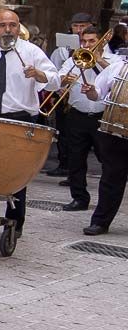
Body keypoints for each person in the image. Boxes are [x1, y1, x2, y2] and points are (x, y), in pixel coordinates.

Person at [0, 8, 60, 241]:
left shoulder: (31, 52)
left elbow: (55, 80)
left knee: (16, 169)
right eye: (3, 25)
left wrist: (39, 75)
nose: (8, 30)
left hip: (19, 118)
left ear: (19, 28)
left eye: (13, 25)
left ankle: (14, 222)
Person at [55, 27, 111, 212]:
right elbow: (58, 79)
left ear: (101, 41)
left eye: (91, 41)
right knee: (76, 159)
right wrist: (63, 80)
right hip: (78, 115)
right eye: (84, 41)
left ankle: (108, 202)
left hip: (103, 117)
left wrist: (99, 60)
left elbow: (119, 79)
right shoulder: (74, 59)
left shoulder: (113, 60)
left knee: (108, 160)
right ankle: (79, 198)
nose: (86, 45)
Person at [81, 54, 127, 235]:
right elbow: (96, 94)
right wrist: (90, 91)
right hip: (113, 132)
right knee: (110, 179)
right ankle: (100, 222)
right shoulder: (117, 67)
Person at [46, 12, 96, 178]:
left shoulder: (102, 52)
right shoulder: (63, 49)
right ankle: (64, 164)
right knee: (64, 134)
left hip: (91, 103)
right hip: (67, 98)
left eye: (83, 26)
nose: (79, 30)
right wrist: (59, 84)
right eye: (76, 26)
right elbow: (54, 69)